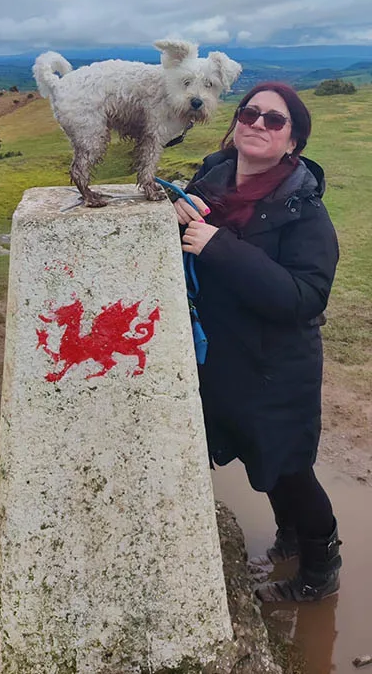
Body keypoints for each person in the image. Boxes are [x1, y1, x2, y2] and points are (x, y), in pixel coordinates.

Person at [173, 82, 342, 603]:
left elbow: (305, 296)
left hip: (278, 365)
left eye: (275, 120)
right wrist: (175, 214)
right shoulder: (209, 183)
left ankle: (320, 567)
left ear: (293, 142)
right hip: (226, 358)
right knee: (258, 457)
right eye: (250, 113)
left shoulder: (305, 210)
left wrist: (221, 247)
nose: (257, 124)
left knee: (290, 468)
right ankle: (289, 535)